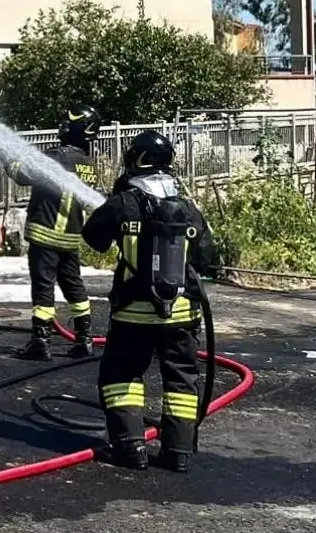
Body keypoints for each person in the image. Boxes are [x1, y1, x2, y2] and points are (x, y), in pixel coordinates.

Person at [81, 128, 221, 472]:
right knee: (182, 380)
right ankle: (178, 452)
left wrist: (116, 210)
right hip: (182, 313)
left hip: (133, 313)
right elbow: (209, 259)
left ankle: (131, 449)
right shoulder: (187, 208)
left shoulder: (124, 202)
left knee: (122, 374)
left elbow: (92, 237)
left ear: (135, 160)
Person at [12, 105, 103, 361]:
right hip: (71, 237)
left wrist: (5, 154)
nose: (63, 124)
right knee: (74, 285)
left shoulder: (56, 157)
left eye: (69, 121)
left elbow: (22, 174)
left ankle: (40, 341)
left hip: (46, 234)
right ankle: (84, 339)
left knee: (43, 287)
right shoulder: (88, 164)